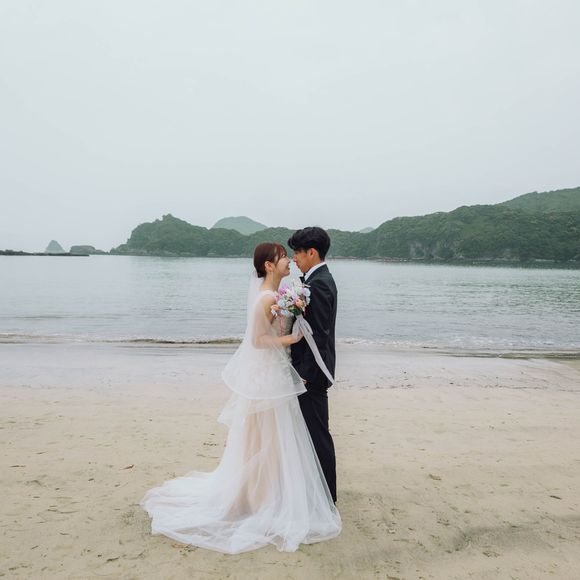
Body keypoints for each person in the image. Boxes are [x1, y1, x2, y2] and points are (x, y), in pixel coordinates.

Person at [141, 242, 341, 554]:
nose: (289, 261)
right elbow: (258, 340)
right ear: (269, 265)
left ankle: (265, 493)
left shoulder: (278, 293)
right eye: (283, 257)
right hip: (270, 373)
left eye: (290, 255)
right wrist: (291, 338)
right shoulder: (267, 297)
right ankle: (262, 497)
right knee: (267, 437)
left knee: (271, 437)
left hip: (276, 371)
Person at [288, 227, 338, 503]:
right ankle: (317, 491)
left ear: (312, 252)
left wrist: (305, 373)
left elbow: (318, 333)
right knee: (311, 432)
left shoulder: (319, 284)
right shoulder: (317, 280)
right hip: (312, 369)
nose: (294, 259)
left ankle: (327, 498)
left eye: (297, 253)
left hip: (313, 372)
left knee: (317, 434)